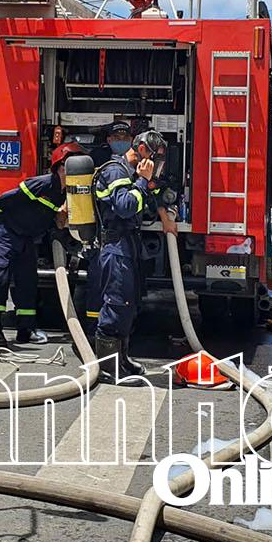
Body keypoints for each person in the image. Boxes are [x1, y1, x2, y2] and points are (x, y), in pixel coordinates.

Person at [89, 130, 176, 382]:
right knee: (117, 304)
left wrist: (164, 214)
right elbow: (125, 207)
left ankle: (122, 360)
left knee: (130, 304)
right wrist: (142, 181)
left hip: (129, 245)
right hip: (115, 247)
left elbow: (150, 195)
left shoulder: (131, 173)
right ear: (141, 149)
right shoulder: (115, 171)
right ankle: (108, 369)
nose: (155, 163)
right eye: (153, 156)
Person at [0, 143, 82, 347]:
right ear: (60, 167)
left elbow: (49, 215)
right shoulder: (43, 184)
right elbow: (8, 198)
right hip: (5, 231)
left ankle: (26, 329)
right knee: (0, 277)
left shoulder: (64, 192)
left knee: (27, 280)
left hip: (26, 236)